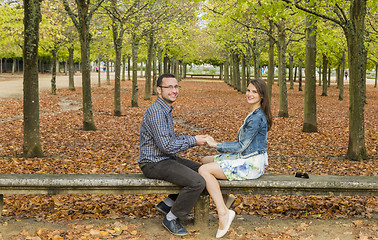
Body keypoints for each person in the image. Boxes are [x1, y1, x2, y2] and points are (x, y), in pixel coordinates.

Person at [198, 79, 273, 238]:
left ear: (262, 96)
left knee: (204, 170)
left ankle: (223, 213)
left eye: (254, 92)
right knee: (206, 161)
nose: (250, 94)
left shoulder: (257, 118)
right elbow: (242, 146)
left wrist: (215, 144)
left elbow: (240, 146)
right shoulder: (254, 113)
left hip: (251, 163)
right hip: (246, 156)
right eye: (248, 90)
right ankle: (225, 197)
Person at [138, 73, 208, 236]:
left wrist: (194, 138)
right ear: (158, 90)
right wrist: (194, 140)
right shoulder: (156, 112)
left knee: (203, 169)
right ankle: (171, 217)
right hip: (153, 163)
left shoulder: (165, 109)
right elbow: (167, 146)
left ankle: (167, 203)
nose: (174, 90)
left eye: (176, 86)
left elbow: (171, 140)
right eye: (169, 87)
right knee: (198, 181)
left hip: (165, 159)